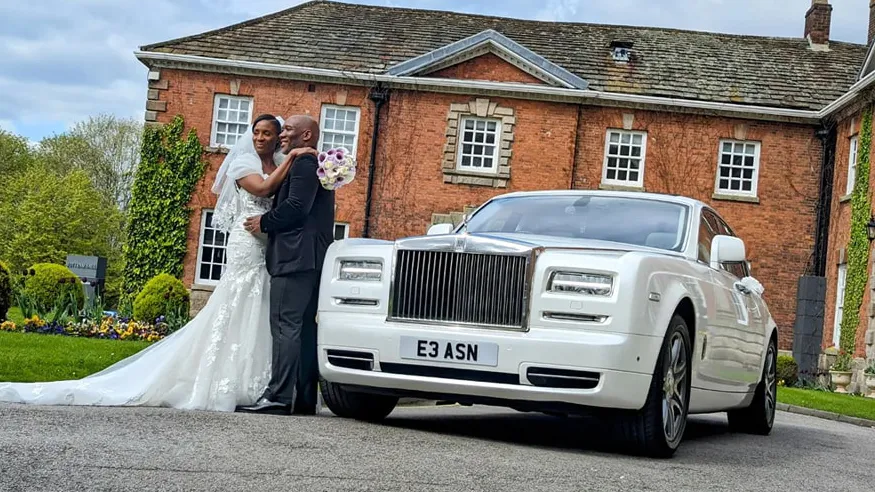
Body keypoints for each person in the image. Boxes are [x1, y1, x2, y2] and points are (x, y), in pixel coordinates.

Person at [0, 114, 317, 412]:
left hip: (269, 245)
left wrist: (290, 162)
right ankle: (222, 381)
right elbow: (262, 189)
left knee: (261, 306)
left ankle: (258, 380)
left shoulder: (277, 161)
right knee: (236, 302)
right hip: (247, 241)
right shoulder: (245, 162)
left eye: (268, 134)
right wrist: (292, 158)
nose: (261, 138)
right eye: (256, 133)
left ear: (277, 139)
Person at [237, 115, 335, 416]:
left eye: (288, 130)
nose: (282, 134)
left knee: (285, 325)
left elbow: (296, 207)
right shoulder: (312, 163)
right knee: (304, 328)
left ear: (306, 135)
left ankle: (278, 397)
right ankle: (304, 398)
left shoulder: (305, 164)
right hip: (312, 257)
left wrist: (264, 222)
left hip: (294, 257)